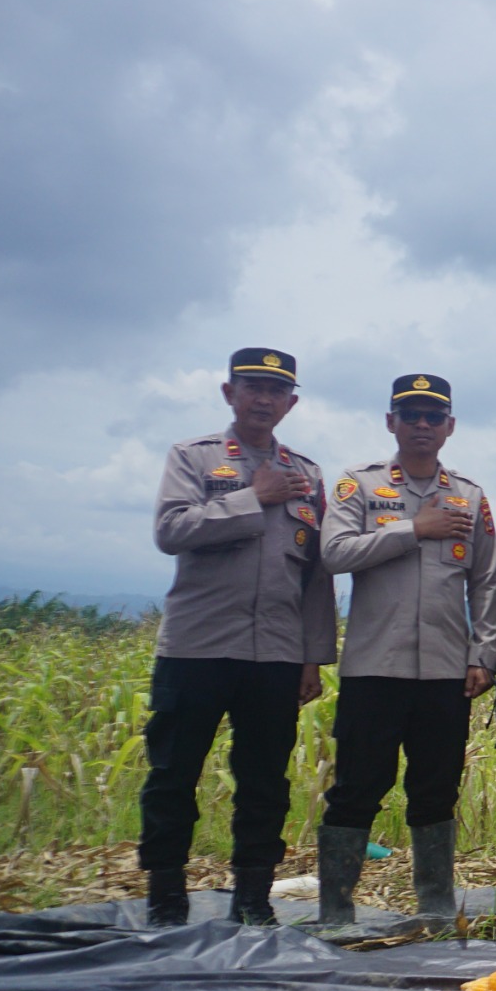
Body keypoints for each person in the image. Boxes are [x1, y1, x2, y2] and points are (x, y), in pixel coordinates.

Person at [140, 349, 337, 926]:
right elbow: (171, 530)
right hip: (195, 648)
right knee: (173, 774)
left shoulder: (310, 475)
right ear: (229, 393)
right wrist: (254, 497)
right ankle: (166, 898)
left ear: (291, 403)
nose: (263, 399)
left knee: (264, 783)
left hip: (274, 655)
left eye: (276, 391)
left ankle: (252, 898)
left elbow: (316, 576)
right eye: (252, 387)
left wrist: (312, 658)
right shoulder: (194, 458)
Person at [314, 374, 496, 929]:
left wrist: (483, 653)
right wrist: (413, 528)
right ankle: (335, 914)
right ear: (390, 421)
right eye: (410, 414)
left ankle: (437, 909)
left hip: (446, 673)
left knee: (435, 790)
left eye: (432, 416)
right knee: (356, 788)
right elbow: (334, 552)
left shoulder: (468, 496)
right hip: (376, 668)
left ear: (449, 427)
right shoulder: (360, 487)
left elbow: (487, 581)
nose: (422, 425)